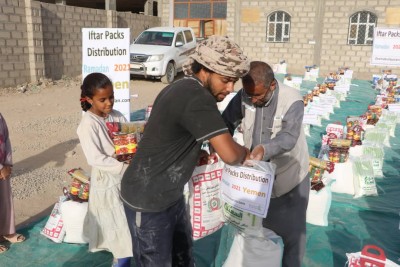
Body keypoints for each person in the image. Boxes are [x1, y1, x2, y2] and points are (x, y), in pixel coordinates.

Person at [121, 35, 250, 267]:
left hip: (170, 195)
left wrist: (191, 150)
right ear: (206, 70)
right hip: (148, 199)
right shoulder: (197, 97)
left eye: (234, 82)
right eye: (225, 80)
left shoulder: (181, 85)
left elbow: (167, 134)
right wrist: (249, 153)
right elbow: (230, 154)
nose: (230, 89)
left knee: (182, 257)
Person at [222, 61, 310, 267]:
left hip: (289, 178)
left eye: (258, 96)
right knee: (257, 231)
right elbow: (225, 122)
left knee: (292, 236)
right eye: (249, 95)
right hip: (256, 179)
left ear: (272, 86)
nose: (252, 99)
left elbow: (288, 137)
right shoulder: (245, 95)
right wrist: (223, 146)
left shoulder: (292, 100)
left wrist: (264, 149)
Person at [76, 73, 132, 267]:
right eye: (102, 99)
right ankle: (121, 262)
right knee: (120, 231)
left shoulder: (116, 116)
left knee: (127, 227)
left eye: (111, 97)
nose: (109, 103)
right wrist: (124, 167)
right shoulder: (88, 125)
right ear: (89, 99)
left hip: (125, 178)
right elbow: (96, 158)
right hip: (107, 181)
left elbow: (130, 136)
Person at [0, 113, 26, 254]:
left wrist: (8, 163)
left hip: (3, 166)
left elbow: (6, 139)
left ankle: (6, 232)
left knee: (5, 201)